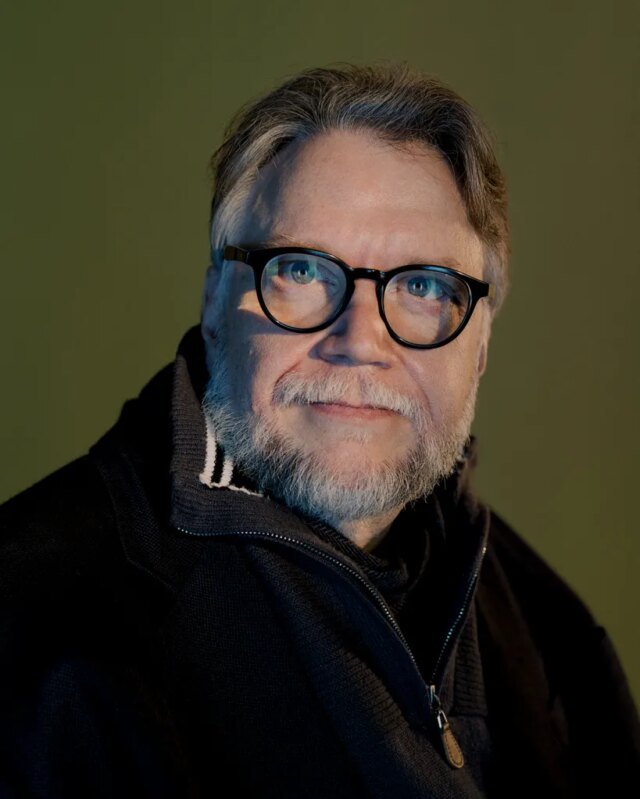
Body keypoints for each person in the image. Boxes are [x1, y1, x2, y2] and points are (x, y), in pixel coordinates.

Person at [0, 62, 638, 799]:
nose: (359, 340)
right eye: (302, 271)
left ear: (482, 343)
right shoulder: (29, 633)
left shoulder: (550, 639)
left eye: (423, 285)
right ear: (215, 303)